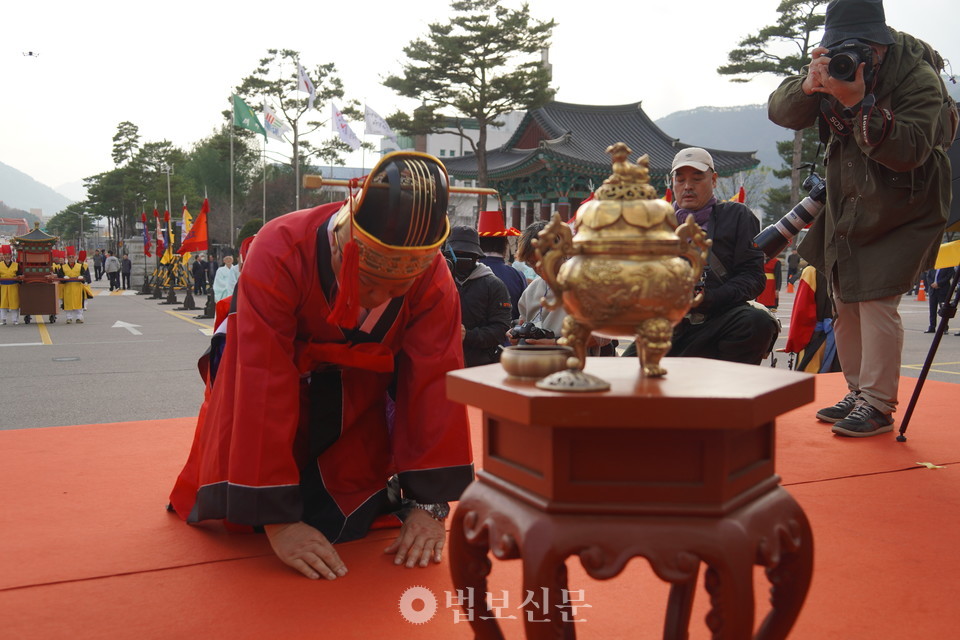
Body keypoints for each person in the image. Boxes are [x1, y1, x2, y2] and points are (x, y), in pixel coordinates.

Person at [169, 152, 474, 581]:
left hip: (357, 405)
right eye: (366, 282)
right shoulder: (280, 248)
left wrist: (429, 504)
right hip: (276, 395)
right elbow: (260, 377)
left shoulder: (432, 277)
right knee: (244, 517)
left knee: (347, 514)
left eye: (396, 289)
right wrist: (278, 520)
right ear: (340, 245)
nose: (376, 298)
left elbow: (434, 382)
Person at [768, 0, 956, 437]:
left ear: (882, 43)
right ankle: (857, 392)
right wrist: (809, 86)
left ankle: (878, 403)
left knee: (876, 298)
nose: (852, 57)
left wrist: (856, 103)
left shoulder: (917, 76)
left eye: (863, 47)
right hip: (850, 196)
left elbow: (911, 149)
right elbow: (780, 111)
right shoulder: (832, 69)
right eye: (840, 47)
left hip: (906, 203)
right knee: (844, 295)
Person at [623, 148, 778, 364]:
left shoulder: (737, 216)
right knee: (624, 370)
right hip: (668, 326)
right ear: (673, 183)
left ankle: (731, 384)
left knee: (756, 321)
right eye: (680, 179)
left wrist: (710, 298)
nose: (687, 186)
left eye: (697, 179)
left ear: (713, 180)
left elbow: (752, 277)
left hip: (721, 319)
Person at [447, 225, 512, 367]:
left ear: (476, 256)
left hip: (480, 364)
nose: (460, 259)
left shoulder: (493, 285)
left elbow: (501, 329)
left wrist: (468, 335)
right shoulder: (441, 282)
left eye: (467, 254)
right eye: (456, 253)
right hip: (443, 361)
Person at [476, 210, 527, 322]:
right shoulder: (517, 276)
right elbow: (523, 313)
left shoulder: (467, 273)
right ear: (505, 244)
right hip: (508, 331)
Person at [59, 247, 89, 324]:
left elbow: (85, 275)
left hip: (77, 287)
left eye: (73, 257)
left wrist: (82, 277)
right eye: (70, 257)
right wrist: (63, 277)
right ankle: (69, 318)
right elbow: (60, 275)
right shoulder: (63, 267)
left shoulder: (79, 266)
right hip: (68, 287)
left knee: (78, 302)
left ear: (75, 258)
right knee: (68, 303)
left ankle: (79, 317)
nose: (71, 259)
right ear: (67, 258)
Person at [925, 266, 955, 333]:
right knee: (932, 310)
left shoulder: (948, 266)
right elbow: (928, 276)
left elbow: (948, 277)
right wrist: (931, 284)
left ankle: (944, 327)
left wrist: (938, 284)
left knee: (943, 310)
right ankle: (932, 327)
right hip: (933, 291)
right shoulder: (934, 266)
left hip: (943, 290)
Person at [0, 245, 22, 325]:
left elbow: (20, 274)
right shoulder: (0, 264)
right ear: (3, 256)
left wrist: (18, 277)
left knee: (14, 303)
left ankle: (15, 320)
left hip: (13, 286)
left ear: (11, 255)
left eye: (8, 255)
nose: (7, 256)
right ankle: (3, 320)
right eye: (5, 255)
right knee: (3, 303)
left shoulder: (16, 265)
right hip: (3, 286)